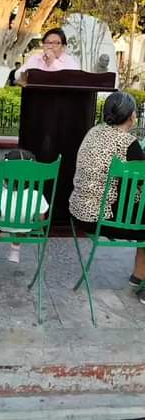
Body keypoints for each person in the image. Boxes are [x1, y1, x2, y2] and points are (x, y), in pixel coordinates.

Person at [69, 91, 145, 305]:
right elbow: (139, 182)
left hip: (79, 212)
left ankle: (138, 279)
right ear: (131, 116)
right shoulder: (128, 143)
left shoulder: (93, 132)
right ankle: (138, 282)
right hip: (104, 218)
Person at [0, 149, 49, 264]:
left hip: (0, 224)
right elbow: (41, 218)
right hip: (24, 227)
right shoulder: (36, 194)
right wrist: (35, 225)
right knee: (22, 217)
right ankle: (15, 251)